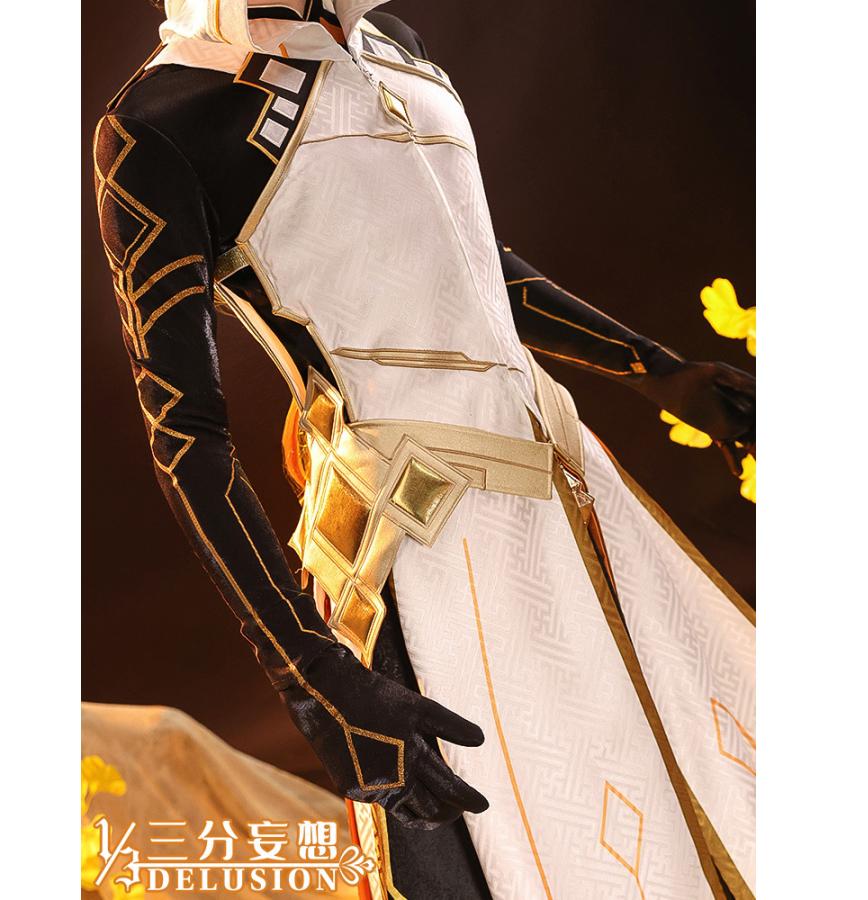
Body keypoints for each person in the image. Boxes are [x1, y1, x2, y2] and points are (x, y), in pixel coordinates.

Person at [94, 2, 755, 897]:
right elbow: (186, 435)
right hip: (428, 547)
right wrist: (312, 678)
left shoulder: (388, 40)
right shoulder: (161, 123)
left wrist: (655, 369)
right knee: (536, 851)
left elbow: (473, 263)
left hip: (572, 488)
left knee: (720, 779)